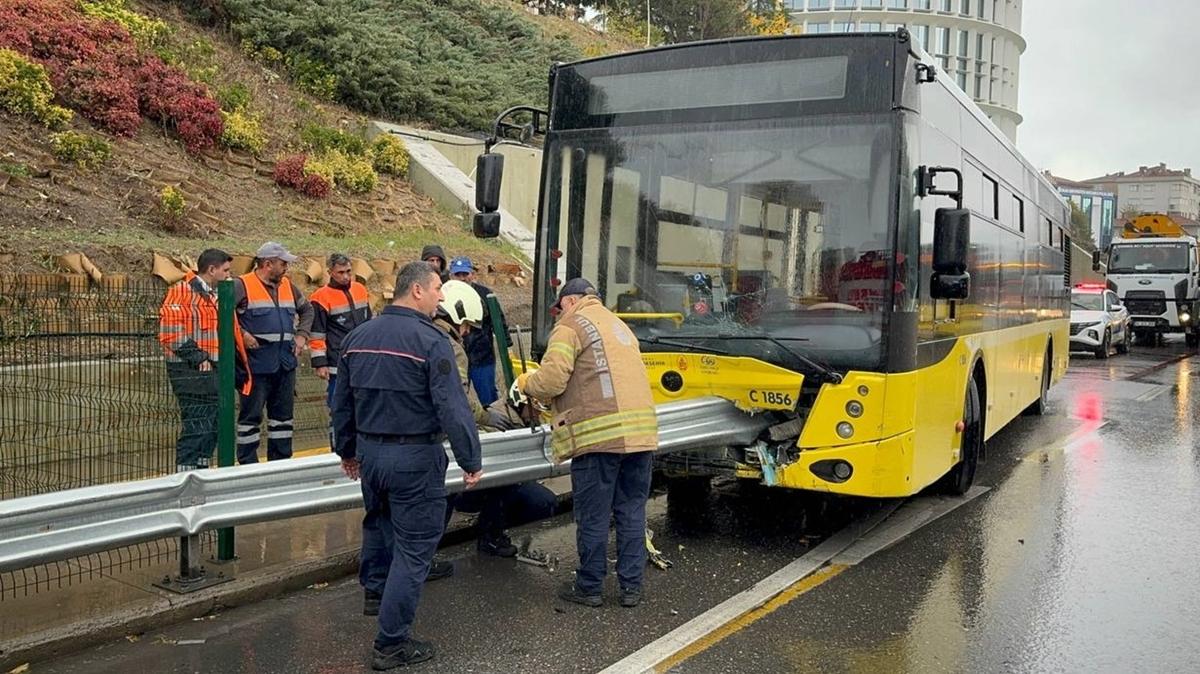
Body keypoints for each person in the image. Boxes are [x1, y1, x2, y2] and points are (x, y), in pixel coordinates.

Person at [332, 261, 483, 670]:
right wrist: (471, 459)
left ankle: (376, 593)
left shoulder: (358, 336)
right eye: (437, 288)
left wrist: (346, 450)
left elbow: (341, 403)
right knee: (414, 551)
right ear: (416, 290)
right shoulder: (430, 341)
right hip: (414, 458)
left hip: (371, 456)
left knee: (379, 526)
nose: (441, 296)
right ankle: (391, 643)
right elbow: (452, 408)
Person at [510, 278, 658, 609]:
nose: (558, 312)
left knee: (593, 515)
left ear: (571, 300)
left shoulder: (571, 325)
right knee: (632, 512)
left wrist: (525, 383)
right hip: (641, 436)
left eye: (560, 305)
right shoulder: (619, 326)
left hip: (598, 439)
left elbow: (551, 380)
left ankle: (589, 585)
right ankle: (631, 588)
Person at [434, 280, 555, 558]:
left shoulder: (420, 336)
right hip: (443, 447)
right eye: (465, 326)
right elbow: (458, 400)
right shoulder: (447, 346)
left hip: (419, 440)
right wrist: (485, 416)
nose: (465, 334)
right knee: (450, 490)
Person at [157, 249, 250, 472]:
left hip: (212, 368)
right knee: (197, 425)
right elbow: (170, 331)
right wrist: (198, 357)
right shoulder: (182, 292)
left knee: (212, 427)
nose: (229, 276)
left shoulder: (216, 296)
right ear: (211, 270)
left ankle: (201, 472)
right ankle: (187, 477)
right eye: (226, 271)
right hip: (190, 371)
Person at [234, 242, 314, 464]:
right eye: (283, 263)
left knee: (282, 421)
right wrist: (241, 333)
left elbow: (307, 310)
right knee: (250, 418)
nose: (286, 267)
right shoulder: (241, 285)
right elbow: (220, 313)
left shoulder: (288, 286)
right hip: (256, 366)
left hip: (285, 365)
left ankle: (281, 463)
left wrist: (301, 335)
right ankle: (247, 465)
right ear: (267, 264)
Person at [309, 253, 372, 444]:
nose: (346, 277)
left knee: (365, 405)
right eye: (341, 273)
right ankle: (337, 449)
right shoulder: (320, 297)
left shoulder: (360, 290)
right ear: (330, 272)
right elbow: (317, 333)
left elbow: (369, 323)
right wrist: (320, 363)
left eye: (348, 272)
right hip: (338, 364)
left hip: (363, 361)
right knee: (338, 408)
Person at [449, 256, 505, 407]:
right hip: (456, 359)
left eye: (465, 274)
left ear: (472, 274)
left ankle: (496, 426)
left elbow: (499, 321)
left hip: (482, 357)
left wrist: (507, 346)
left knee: (489, 399)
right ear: (451, 276)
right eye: (457, 275)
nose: (462, 278)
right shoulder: (444, 296)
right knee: (457, 399)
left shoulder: (485, 294)